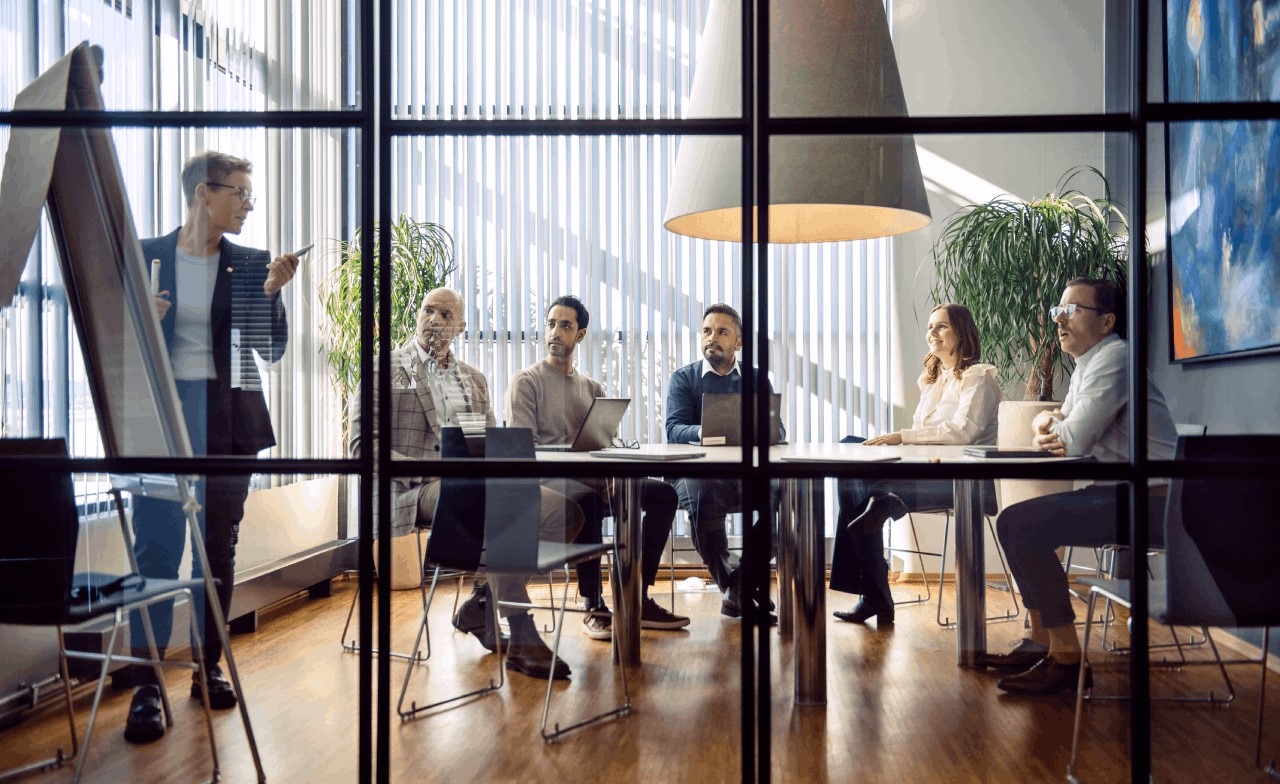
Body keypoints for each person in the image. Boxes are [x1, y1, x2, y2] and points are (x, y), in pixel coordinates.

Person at [125, 152, 300, 744]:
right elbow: (113, 345)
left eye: (250, 195)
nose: (249, 204)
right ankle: (146, 684)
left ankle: (207, 666)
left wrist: (272, 294)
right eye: (241, 193)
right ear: (205, 192)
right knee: (154, 551)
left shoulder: (249, 264)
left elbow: (266, 349)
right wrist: (139, 322)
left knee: (214, 551)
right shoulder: (144, 254)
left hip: (228, 427)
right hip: (161, 429)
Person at [347, 286, 587, 681]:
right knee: (502, 505)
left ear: (460, 326)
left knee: (567, 511)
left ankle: (482, 602)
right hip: (411, 488)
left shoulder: (473, 380)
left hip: (477, 488)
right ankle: (523, 634)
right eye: (428, 311)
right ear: (417, 316)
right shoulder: (384, 369)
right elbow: (362, 448)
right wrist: (440, 470)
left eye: (445, 315)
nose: (434, 321)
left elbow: (491, 444)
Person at [986, 278, 1177, 696]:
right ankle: (1042, 642)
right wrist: (1049, 423)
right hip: (1120, 492)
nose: (1060, 319)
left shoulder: (1115, 358)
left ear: (1107, 321)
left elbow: (1069, 439)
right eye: (1059, 311)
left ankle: (1067, 661)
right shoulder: (1089, 363)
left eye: (1072, 310)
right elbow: (1056, 430)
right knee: (1013, 522)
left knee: (1021, 524)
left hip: (1156, 503)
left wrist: (1051, 424)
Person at [506, 295, 690, 639]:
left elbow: (605, 444)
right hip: (548, 484)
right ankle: (592, 602)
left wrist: (610, 467)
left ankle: (637, 593)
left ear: (581, 334)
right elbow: (524, 450)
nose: (555, 333)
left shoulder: (593, 388)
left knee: (663, 494)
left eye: (565, 325)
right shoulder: (526, 381)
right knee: (585, 496)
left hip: (594, 478)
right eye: (551, 324)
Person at [830, 303, 1002, 628]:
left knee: (865, 489)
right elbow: (922, 437)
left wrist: (900, 437)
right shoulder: (933, 381)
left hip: (962, 482)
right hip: (926, 472)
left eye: (942, 327)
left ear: (961, 332)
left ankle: (873, 592)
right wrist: (901, 442)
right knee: (850, 448)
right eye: (930, 327)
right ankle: (881, 507)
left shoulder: (979, 378)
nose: (932, 333)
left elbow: (963, 432)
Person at [665, 303, 781, 624]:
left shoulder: (757, 379)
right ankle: (737, 589)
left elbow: (778, 430)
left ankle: (738, 589)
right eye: (706, 331)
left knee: (782, 495)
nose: (711, 338)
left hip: (742, 474)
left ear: (738, 342)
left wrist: (753, 430)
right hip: (693, 473)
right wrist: (708, 429)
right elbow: (673, 430)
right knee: (703, 496)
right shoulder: (684, 379)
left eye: (721, 332)